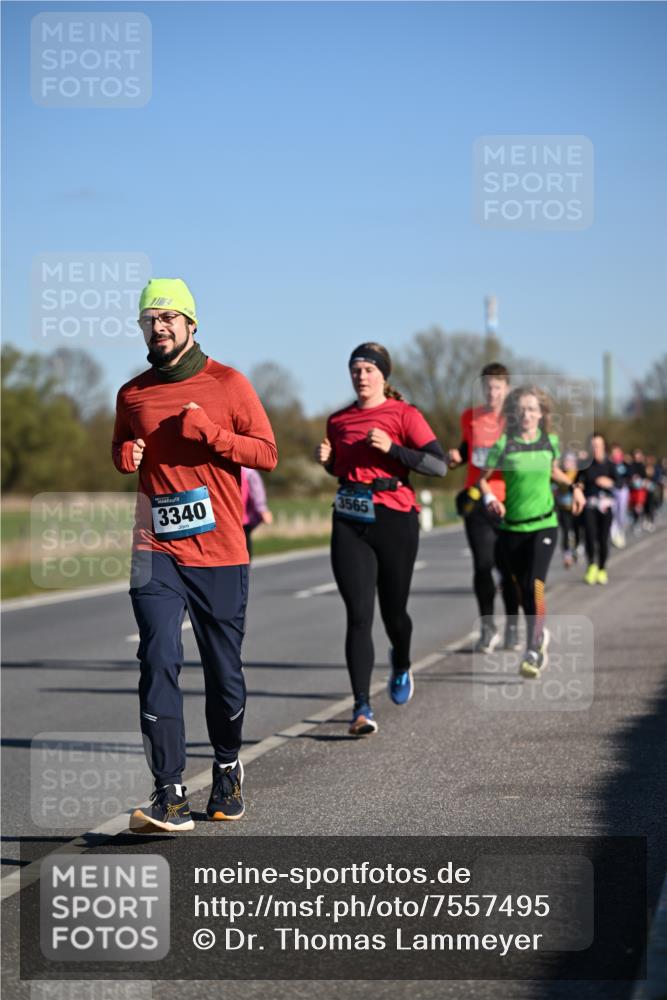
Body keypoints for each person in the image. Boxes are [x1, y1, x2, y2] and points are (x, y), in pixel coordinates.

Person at [112, 278, 277, 832]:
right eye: (148, 321)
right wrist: (125, 453)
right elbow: (120, 449)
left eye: (166, 319)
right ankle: (169, 793)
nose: (157, 329)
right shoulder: (132, 394)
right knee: (157, 657)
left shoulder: (229, 384)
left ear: (190, 324)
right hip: (153, 546)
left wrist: (213, 436)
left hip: (220, 550)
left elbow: (268, 453)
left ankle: (228, 769)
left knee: (223, 672)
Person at [316, 342, 446, 735]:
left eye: (369, 369)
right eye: (355, 368)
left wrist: (394, 449)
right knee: (358, 615)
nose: (361, 375)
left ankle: (402, 662)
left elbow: (438, 465)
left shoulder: (404, 414)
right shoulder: (337, 422)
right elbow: (343, 469)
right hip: (350, 519)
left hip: (395, 518)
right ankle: (361, 707)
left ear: (384, 376)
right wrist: (329, 464)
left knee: (395, 614)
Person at [479, 385, 585, 679]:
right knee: (522, 588)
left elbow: (553, 470)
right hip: (512, 527)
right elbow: (484, 480)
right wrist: (490, 499)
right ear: (514, 414)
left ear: (541, 414)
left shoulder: (549, 441)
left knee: (536, 584)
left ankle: (534, 649)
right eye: (521, 409)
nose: (526, 413)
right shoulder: (504, 444)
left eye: (532, 409)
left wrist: (573, 488)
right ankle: (539, 635)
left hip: (544, 524)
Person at [447, 363, 520, 652]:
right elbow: (467, 449)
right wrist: (456, 455)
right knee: (482, 565)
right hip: (477, 499)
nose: (492, 392)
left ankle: (513, 627)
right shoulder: (470, 417)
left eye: (497, 387)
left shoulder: (517, 419)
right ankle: (488, 628)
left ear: (507, 389)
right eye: (488, 387)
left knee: (509, 569)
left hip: (509, 501)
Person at [578, 434, 617, 585]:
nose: (596, 449)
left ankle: (602, 568)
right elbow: (578, 481)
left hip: (606, 506)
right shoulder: (585, 464)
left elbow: (620, 482)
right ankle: (591, 566)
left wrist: (611, 482)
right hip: (590, 505)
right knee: (589, 536)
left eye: (598, 445)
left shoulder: (610, 464)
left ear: (604, 446)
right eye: (593, 446)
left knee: (603, 538)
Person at [553, 450, 581, 568]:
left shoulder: (579, 474)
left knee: (576, 531)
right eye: (566, 461)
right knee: (566, 531)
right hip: (563, 507)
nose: (568, 463)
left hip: (576, 508)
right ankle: (567, 555)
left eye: (570, 461)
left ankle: (575, 549)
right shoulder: (560, 474)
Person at [241, 466, 273, 559]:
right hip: (243, 517)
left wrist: (262, 509)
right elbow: (257, 491)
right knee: (244, 545)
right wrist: (262, 509)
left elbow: (256, 492)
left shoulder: (247, 472)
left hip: (243, 516)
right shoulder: (248, 472)